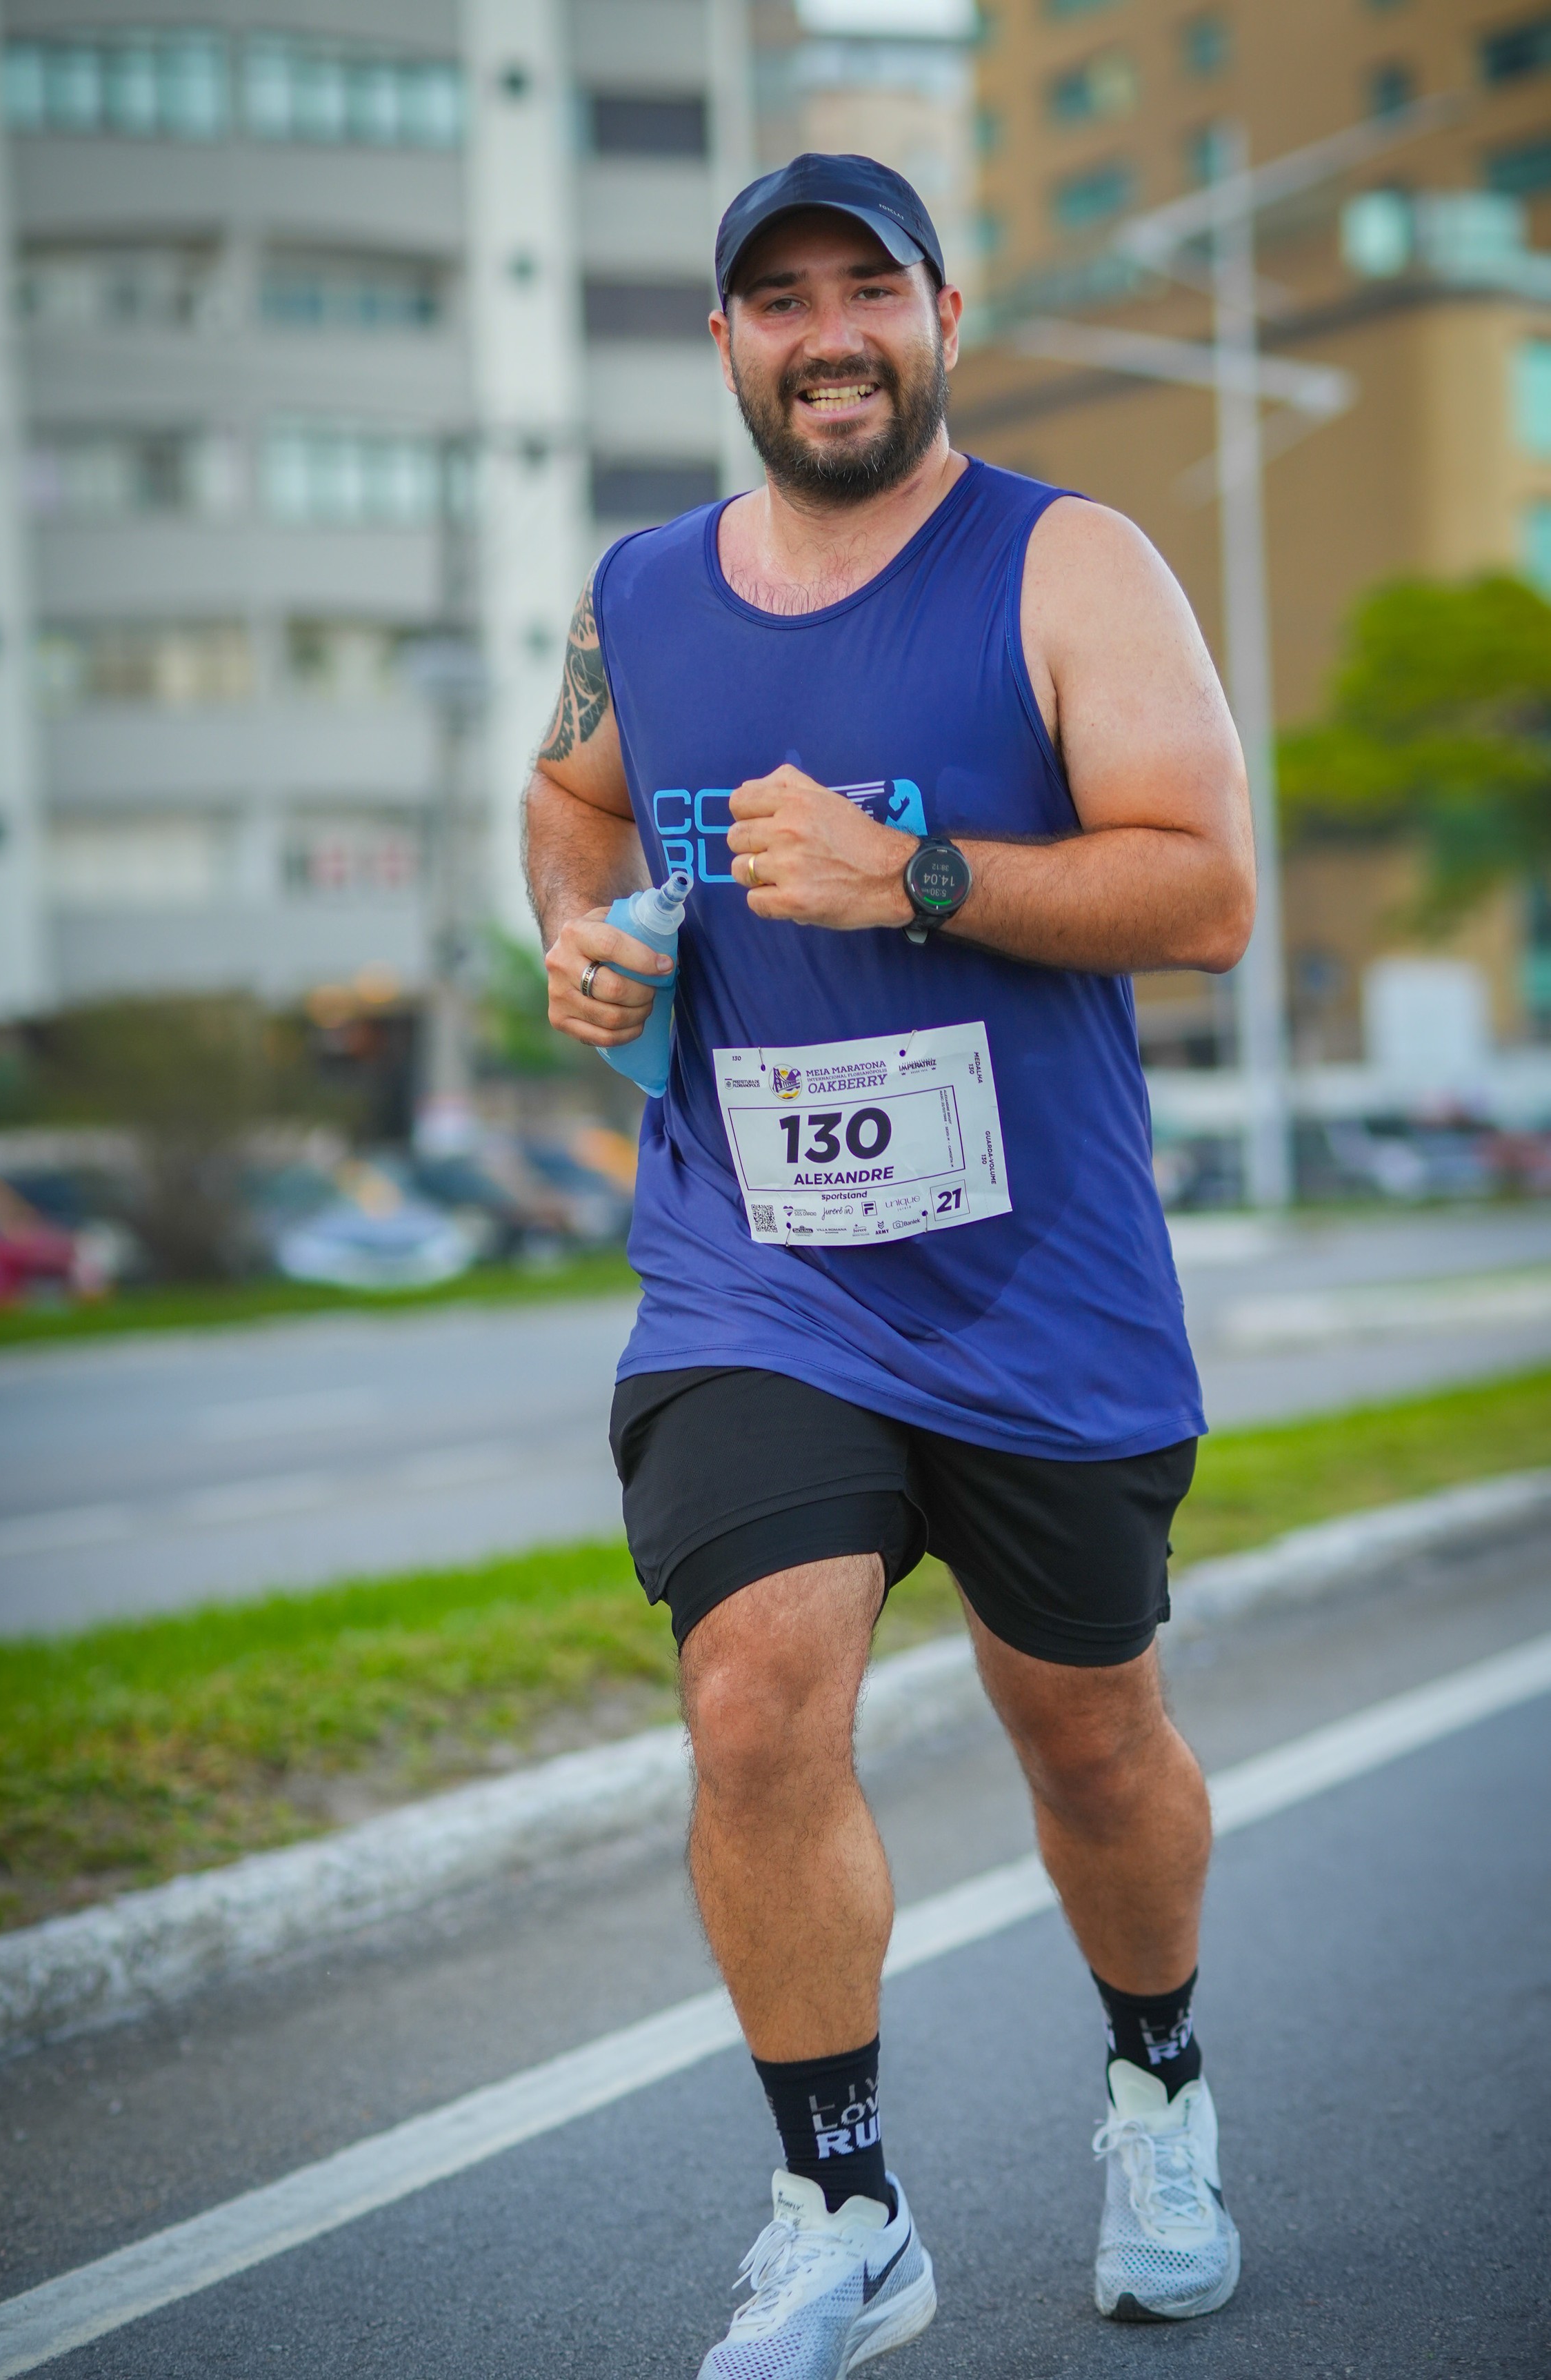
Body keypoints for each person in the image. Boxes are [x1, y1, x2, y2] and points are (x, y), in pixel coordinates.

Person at [524, 150, 1255, 2377]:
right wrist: (578, 938)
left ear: (941, 310)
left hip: (1039, 1286)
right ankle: (840, 2205)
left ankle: (1156, 2087)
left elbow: (1203, 890)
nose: (827, 329)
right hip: (758, 1272)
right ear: (724, 340)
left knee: (1090, 1736)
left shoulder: (1070, 563)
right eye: (778, 297)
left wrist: (916, 878)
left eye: (867, 287)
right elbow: (570, 803)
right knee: (753, 1693)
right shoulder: (636, 592)